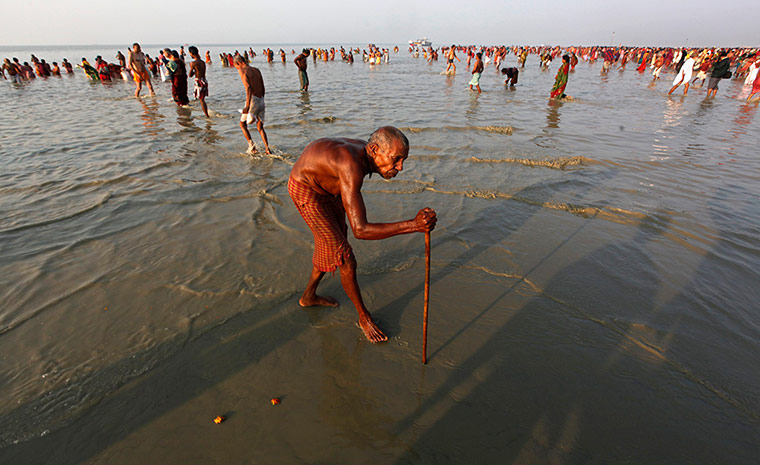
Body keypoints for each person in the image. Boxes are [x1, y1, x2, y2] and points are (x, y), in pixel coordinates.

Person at [288, 126, 437, 343]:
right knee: (345, 258)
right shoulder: (351, 165)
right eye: (396, 159)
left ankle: (308, 296)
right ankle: (364, 317)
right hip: (306, 189)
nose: (400, 167)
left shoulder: (364, 154)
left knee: (333, 243)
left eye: (403, 160)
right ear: (374, 149)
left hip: (329, 188)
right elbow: (361, 230)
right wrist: (413, 225)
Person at [234, 55, 271, 154]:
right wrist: (262, 99)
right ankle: (267, 149)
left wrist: (247, 106)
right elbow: (263, 86)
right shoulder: (256, 70)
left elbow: (248, 88)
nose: (236, 69)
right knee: (260, 127)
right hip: (261, 99)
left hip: (253, 101)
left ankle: (252, 147)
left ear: (239, 63)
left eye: (236, 66)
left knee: (242, 124)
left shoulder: (242, 71)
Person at [188, 46, 209, 117]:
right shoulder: (202, 62)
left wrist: (193, 69)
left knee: (201, 100)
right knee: (202, 99)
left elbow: (190, 75)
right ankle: (206, 114)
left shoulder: (193, 63)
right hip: (204, 80)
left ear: (191, 53)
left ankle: (207, 115)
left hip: (199, 81)